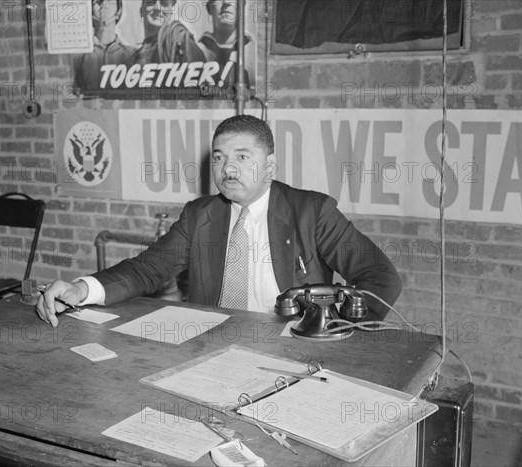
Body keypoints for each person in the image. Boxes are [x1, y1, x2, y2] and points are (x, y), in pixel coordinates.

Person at [36, 115, 402, 327]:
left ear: (270, 166)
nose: (228, 168)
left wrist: (335, 329)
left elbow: (380, 278)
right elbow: (147, 270)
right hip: (212, 343)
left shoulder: (311, 212)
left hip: (293, 349)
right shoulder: (200, 215)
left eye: (243, 156)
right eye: (219, 157)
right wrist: (81, 290)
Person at [73, 0, 136, 90]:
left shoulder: (133, 55)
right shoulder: (78, 57)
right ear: (90, 10)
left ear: (119, 11)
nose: (104, 3)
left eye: (110, 0)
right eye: (98, 1)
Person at [198, 0, 254, 86]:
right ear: (209, 7)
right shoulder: (194, 51)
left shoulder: (254, 55)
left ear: (243, 6)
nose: (226, 2)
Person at [131, 0, 204, 65]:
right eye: (151, 2)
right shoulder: (131, 59)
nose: (158, 8)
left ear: (171, 13)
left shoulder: (182, 42)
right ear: (141, 12)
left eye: (164, 4)